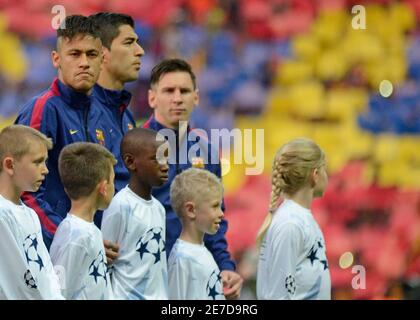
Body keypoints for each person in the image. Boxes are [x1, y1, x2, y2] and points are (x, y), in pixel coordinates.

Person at [142, 58, 242, 299]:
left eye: (184, 91)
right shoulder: (136, 149)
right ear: (152, 98)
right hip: (147, 278)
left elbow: (216, 217)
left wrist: (225, 265)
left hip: (196, 277)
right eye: (168, 90)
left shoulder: (207, 152)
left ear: (196, 97)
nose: (177, 98)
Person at [14, 15, 104, 249]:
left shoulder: (102, 115)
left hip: (94, 254)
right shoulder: (43, 110)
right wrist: (73, 241)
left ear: (102, 59)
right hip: (57, 255)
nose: (84, 62)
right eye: (75, 54)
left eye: (91, 54)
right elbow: (24, 193)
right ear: (56, 59)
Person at [256, 138, 331, 300]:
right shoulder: (291, 224)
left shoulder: (299, 218)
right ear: (315, 175)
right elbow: (278, 295)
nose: (327, 176)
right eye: (325, 169)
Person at [89, 12, 145, 228]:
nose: (140, 51)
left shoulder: (126, 117)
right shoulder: (80, 113)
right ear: (103, 53)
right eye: (129, 42)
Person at [101, 128, 170, 299]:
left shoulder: (159, 208)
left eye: (166, 158)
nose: (165, 166)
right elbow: (104, 264)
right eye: (157, 159)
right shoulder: (120, 205)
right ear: (131, 162)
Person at [0, 125, 63, 299]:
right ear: (10, 165)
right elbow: (15, 285)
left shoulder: (29, 213)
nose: (45, 170)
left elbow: (47, 272)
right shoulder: (2, 215)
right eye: (37, 162)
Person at [49, 142, 116, 300]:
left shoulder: (89, 230)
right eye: (112, 181)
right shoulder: (76, 237)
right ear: (103, 187)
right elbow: (58, 292)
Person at [168, 168, 226, 300]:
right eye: (215, 206)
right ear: (191, 210)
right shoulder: (182, 259)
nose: (221, 214)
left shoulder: (201, 251)